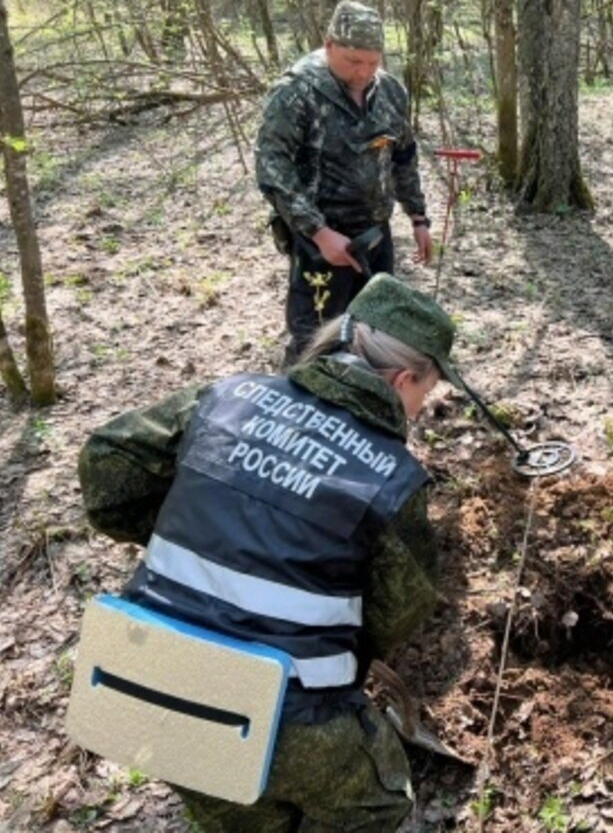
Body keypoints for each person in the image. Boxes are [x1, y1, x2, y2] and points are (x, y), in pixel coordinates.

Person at [77, 275, 461, 830]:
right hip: (285, 714)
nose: (421, 410)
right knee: (376, 808)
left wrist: (183, 531)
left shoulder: (226, 397)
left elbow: (107, 462)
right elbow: (398, 611)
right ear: (403, 379)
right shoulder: (392, 478)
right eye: (424, 394)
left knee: (229, 805)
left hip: (140, 680)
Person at [257, 0, 433, 366]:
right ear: (329, 44)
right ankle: (302, 412)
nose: (364, 72)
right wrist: (319, 234)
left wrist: (418, 218)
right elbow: (272, 167)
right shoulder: (296, 92)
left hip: (375, 233)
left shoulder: (390, 91)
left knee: (374, 333)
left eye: (373, 62)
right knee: (315, 339)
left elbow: (403, 156)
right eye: (354, 61)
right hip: (321, 241)